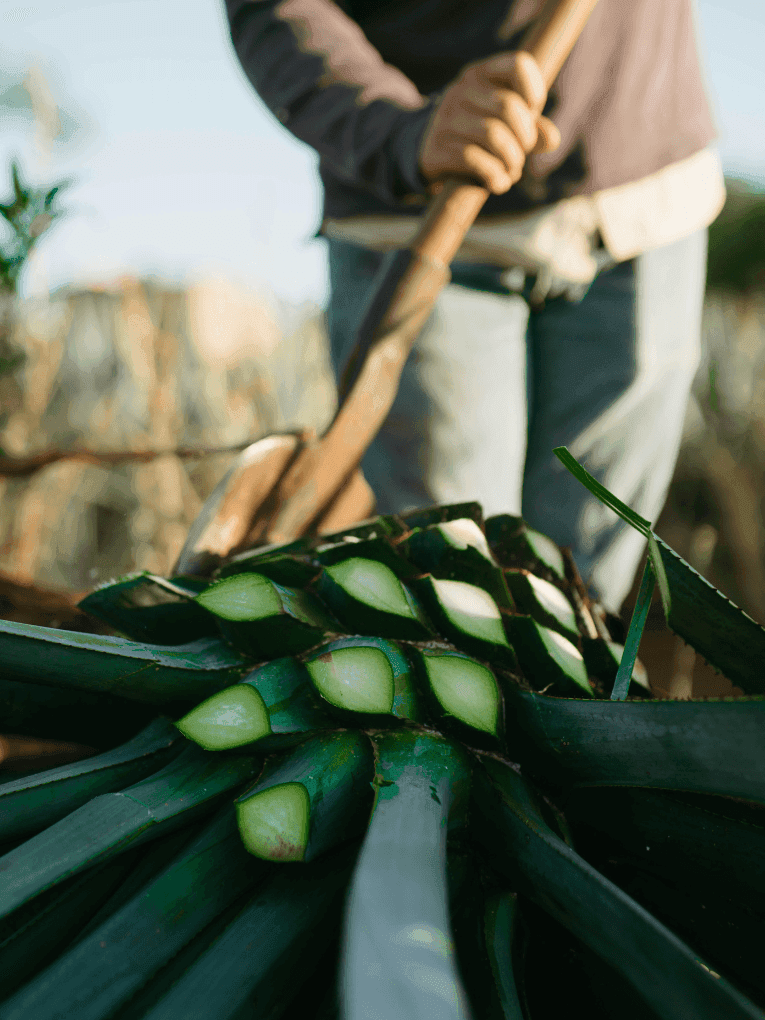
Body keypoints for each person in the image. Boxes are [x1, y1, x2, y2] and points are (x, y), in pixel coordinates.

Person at [224, 0, 724, 615]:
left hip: (640, 198)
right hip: (411, 218)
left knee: (589, 603)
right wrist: (393, 127)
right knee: (457, 595)